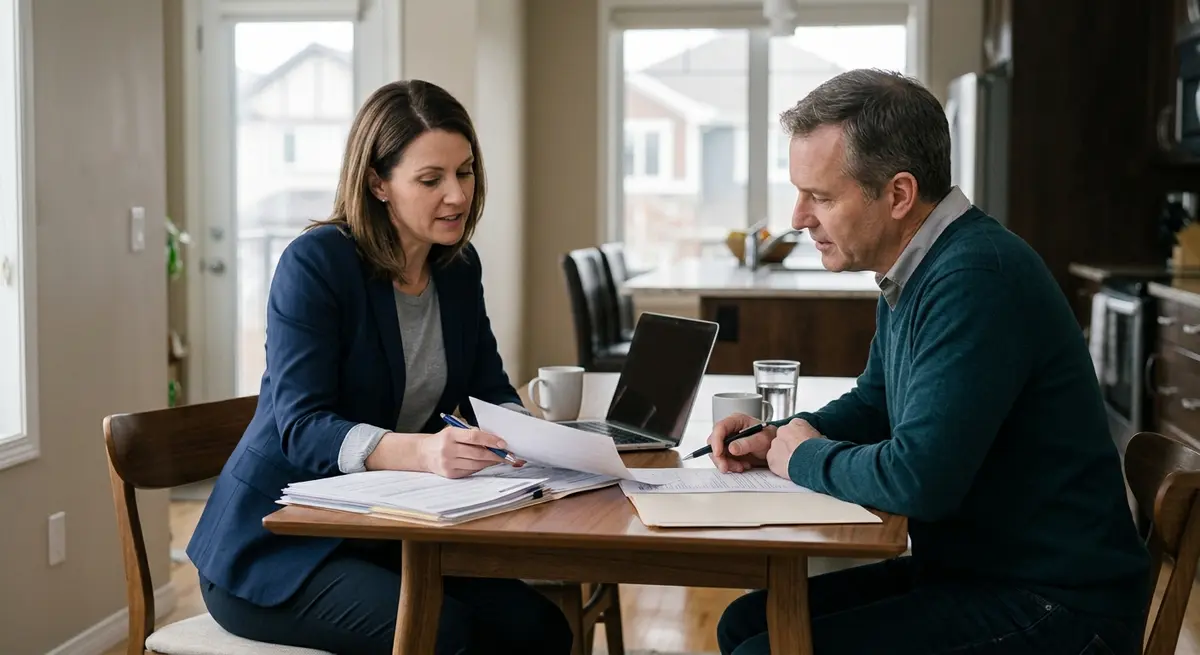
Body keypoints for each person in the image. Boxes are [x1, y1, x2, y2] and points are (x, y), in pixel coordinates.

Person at [707, 69, 1151, 655]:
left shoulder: (973, 278)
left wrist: (805, 456)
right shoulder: (917, 267)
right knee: (748, 624)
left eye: (821, 196)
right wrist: (776, 437)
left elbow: (920, 480)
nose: (797, 217)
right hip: (981, 575)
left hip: (1057, 605)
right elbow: (875, 402)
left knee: (762, 648)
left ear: (898, 194)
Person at [185, 80, 573, 655]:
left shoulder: (457, 269)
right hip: (277, 546)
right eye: (430, 179)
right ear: (378, 183)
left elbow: (488, 386)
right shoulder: (316, 264)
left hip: (384, 530)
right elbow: (301, 425)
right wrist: (424, 451)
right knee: (445, 635)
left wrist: (537, 443)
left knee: (541, 631)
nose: (457, 196)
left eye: (464, 173)